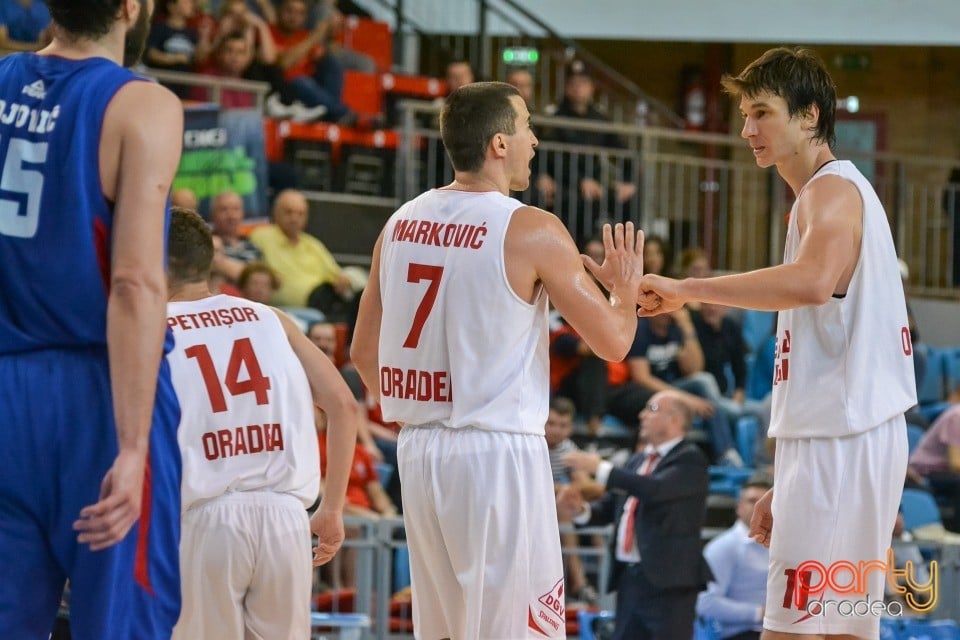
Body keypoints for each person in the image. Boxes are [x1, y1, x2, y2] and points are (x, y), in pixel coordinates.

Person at [349, 81, 646, 639]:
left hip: (420, 451)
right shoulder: (530, 226)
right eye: (527, 125)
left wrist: (424, 411)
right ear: (499, 144)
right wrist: (623, 289)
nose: (534, 139)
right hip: (495, 452)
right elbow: (613, 343)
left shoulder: (398, 224)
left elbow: (363, 353)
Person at [638, 47, 916, 639]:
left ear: (810, 115)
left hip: (838, 442)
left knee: (790, 628)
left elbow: (813, 283)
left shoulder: (830, 191)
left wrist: (688, 287)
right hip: (845, 438)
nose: (747, 129)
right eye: (745, 114)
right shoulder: (830, 194)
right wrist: (787, 484)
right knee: (841, 628)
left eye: (762, 112)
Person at [0, 1, 184, 638]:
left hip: (6, 385)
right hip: (100, 390)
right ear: (132, 8)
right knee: (122, 624)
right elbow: (134, 284)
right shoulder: (142, 104)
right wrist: (133, 446)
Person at [165, 207, 361, 639]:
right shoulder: (270, 318)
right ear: (209, 260)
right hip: (286, 518)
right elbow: (344, 406)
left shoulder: (153, 329)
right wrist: (331, 509)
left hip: (207, 518)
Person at [562, 390, 713, 640]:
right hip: (630, 577)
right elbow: (612, 509)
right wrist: (580, 511)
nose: (642, 415)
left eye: (651, 410)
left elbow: (654, 490)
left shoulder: (690, 459)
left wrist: (599, 467)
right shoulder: (637, 461)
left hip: (669, 582)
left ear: (675, 419)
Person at [697, 474, 773, 640]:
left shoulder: (784, 544)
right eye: (752, 501)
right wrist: (761, 612)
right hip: (745, 632)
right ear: (739, 507)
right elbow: (706, 602)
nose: (759, 507)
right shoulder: (723, 547)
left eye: (765, 502)